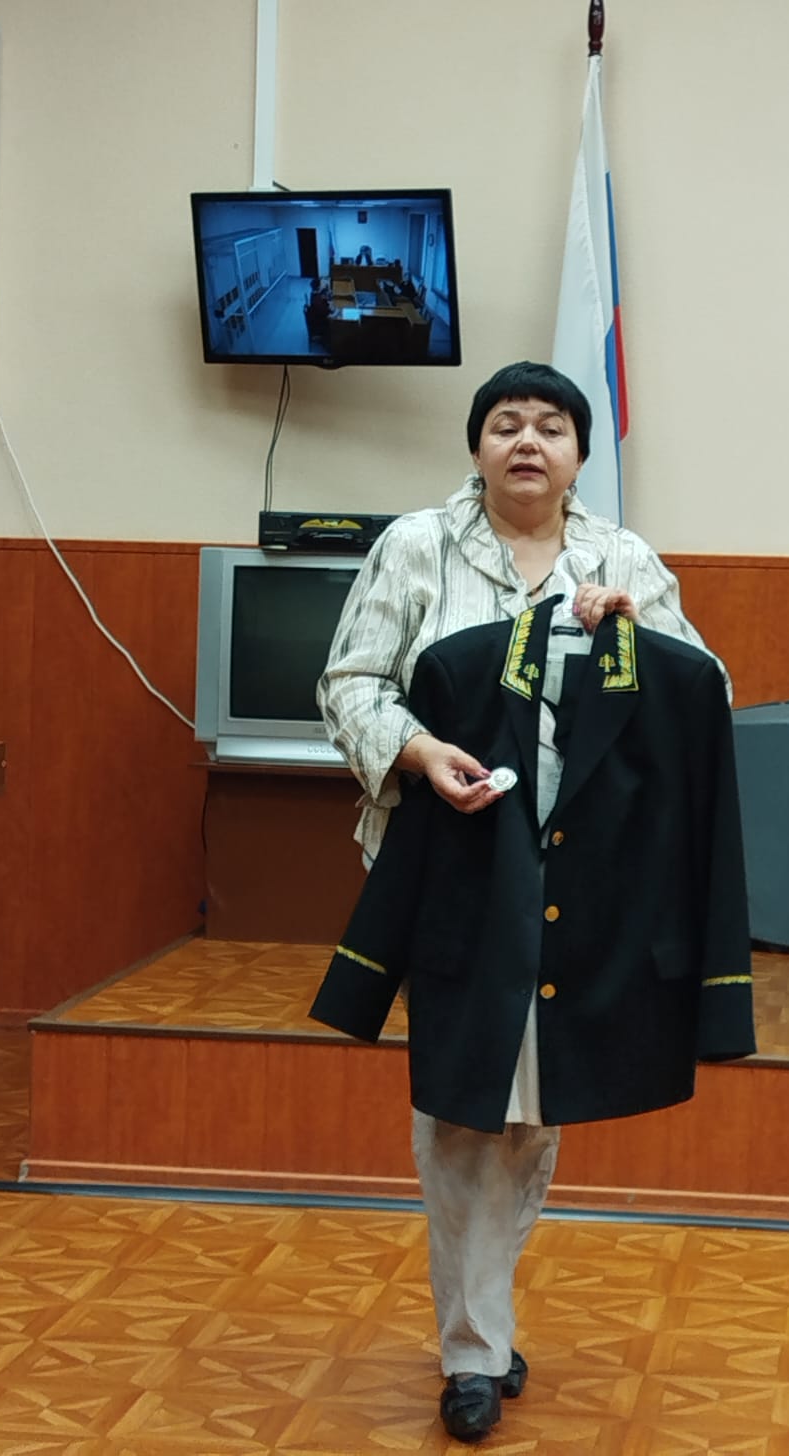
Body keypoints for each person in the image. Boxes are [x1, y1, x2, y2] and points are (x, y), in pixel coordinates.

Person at [313, 360, 753, 1442]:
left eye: (550, 426)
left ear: (579, 454)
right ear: (476, 447)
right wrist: (419, 750)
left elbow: (706, 692)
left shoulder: (624, 557)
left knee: (530, 1110)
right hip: (456, 861)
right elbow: (349, 684)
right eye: (504, 424)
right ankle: (473, 1349)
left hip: (586, 882)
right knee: (467, 1106)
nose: (526, 442)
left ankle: (484, 1316)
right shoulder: (416, 544)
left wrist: (634, 632)